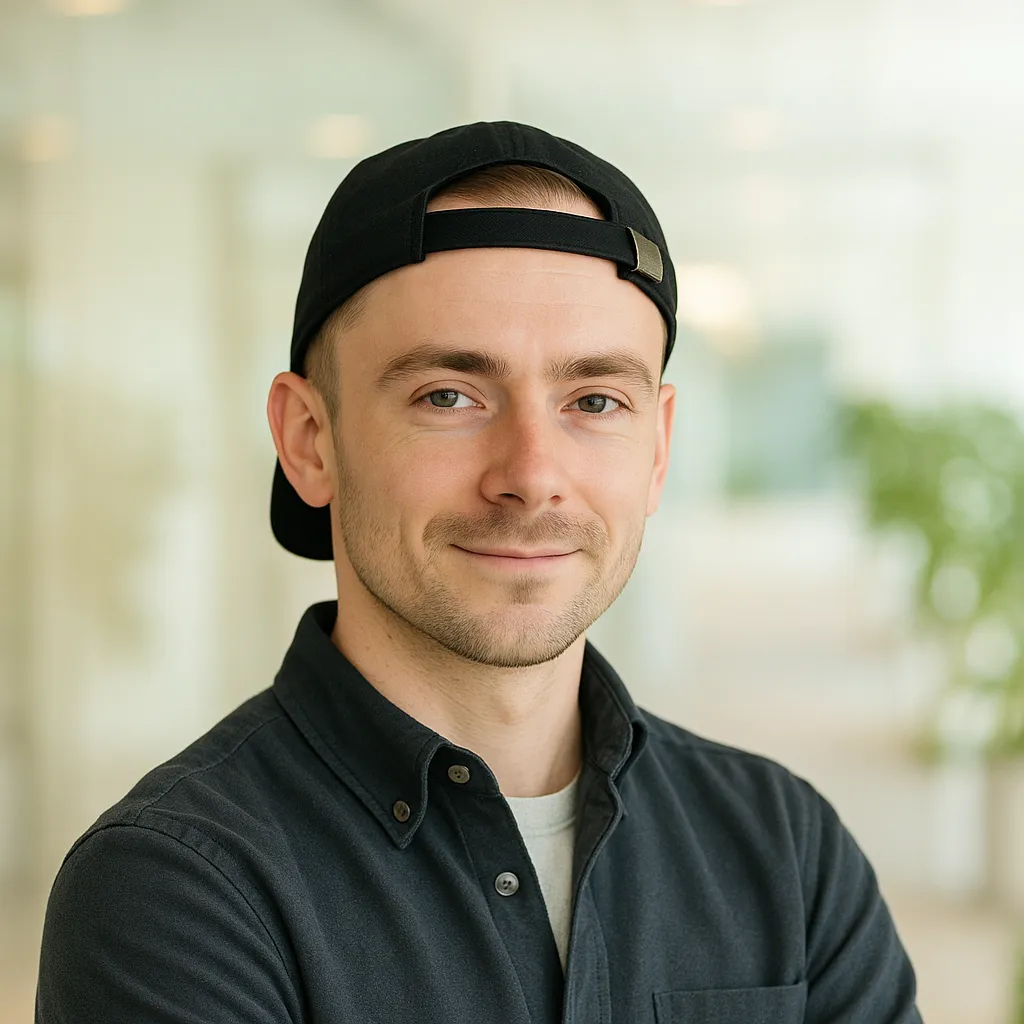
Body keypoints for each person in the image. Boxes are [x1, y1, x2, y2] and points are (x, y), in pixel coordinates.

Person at [35, 121, 923, 1023]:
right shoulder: (175, 892)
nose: (532, 474)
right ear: (310, 441)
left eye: (595, 401)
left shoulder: (783, 849)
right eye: (449, 396)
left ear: (657, 450)